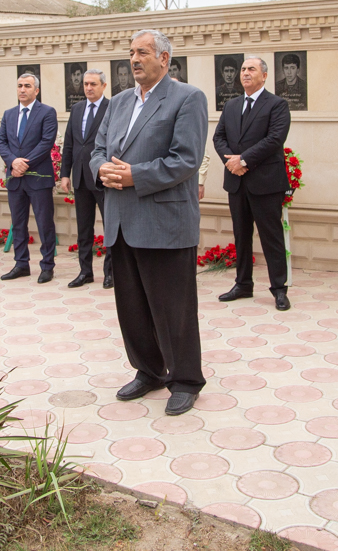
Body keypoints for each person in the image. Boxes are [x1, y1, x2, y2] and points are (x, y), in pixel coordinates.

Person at [92, 29, 208, 416]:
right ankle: (149, 370)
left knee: (172, 308)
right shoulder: (120, 101)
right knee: (133, 306)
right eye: (131, 53)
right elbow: (97, 149)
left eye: (143, 52)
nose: (135, 59)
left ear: (164, 59)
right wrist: (103, 169)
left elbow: (185, 159)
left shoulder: (187, 98)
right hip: (122, 220)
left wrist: (133, 176)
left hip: (165, 221)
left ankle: (186, 379)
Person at [213, 57, 293, 311]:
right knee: (241, 236)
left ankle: (279, 289)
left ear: (264, 75)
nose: (246, 73)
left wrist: (244, 160)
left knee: (272, 237)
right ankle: (243, 284)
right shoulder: (232, 105)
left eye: (252, 69)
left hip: (266, 183)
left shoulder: (277, 105)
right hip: (237, 183)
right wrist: (232, 162)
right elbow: (219, 137)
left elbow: (274, 139)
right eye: (244, 69)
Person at [0, 73, 57, 283]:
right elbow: (1, 142)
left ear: (36, 90)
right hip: (15, 178)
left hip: (38, 179)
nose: (23, 89)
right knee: (18, 223)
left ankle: (47, 265)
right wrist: (13, 162)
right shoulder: (8, 114)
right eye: (20, 86)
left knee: (44, 222)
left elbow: (46, 142)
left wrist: (24, 163)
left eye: (27, 86)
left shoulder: (47, 112)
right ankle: (21, 264)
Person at [58, 69, 112, 289]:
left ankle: (111, 273)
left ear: (103, 86)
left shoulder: (113, 108)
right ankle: (85, 271)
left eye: (93, 84)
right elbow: (70, 144)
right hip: (80, 178)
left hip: (103, 178)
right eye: (85, 84)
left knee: (110, 228)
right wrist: (64, 174)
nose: (88, 88)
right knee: (84, 229)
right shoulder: (78, 108)